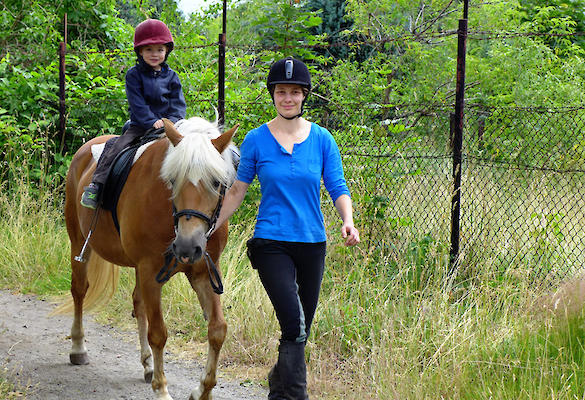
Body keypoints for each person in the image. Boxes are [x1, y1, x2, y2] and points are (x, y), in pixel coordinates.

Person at [214, 57, 360, 399]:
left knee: (299, 331)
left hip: (312, 243)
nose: (288, 98)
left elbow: (337, 185)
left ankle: (279, 383)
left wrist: (348, 221)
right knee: (293, 324)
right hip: (271, 243)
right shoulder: (255, 140)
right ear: (273, 95)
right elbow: (237, 189)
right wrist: (210, 228)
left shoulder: (323, 139)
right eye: (282, 91)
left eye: (295, 92)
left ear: (304, 95)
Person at [81, 18, 186, 209]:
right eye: (149, 50)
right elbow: (137, 103)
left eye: (160, 50)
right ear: (140, 51)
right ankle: (97, 186)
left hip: (171, 127)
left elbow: (178, 105)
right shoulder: (133, 75)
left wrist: (170, 122)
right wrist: (151, 121)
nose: (155, 54)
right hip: (140, 125)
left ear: (167, 51)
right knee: (115, 145)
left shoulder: (172, 77)